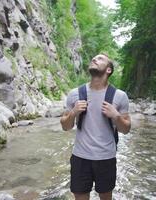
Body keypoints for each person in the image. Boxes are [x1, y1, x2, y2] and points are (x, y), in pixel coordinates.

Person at [60, 53, 131, 200]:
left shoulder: (120, 96)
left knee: (105, 196)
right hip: (80, 157)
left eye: (100, 59)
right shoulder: (75, 94)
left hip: (106, 157)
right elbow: (65, 126)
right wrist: (73, 112)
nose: (94, 59)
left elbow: (126, 129)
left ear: (108, 70)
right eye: (93, 58)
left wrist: (115, 115)